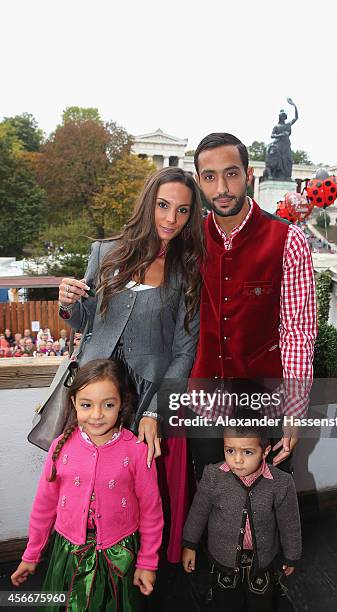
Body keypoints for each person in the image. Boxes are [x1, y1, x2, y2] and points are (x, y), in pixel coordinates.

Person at [53, 166, 204, 563]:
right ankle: (80, 570)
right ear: (148, 203)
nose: (171, 219)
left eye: (183, 211)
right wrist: (67, 303)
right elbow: (85, 320)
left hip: (145, 399)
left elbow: (184, 351)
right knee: (84, 490)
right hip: (94, 394)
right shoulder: (105, 252)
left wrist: (156, 410)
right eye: (163, 206)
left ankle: (132, 574)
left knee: (131, 501)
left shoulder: (188, 271)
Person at [189, 133, 317, 479]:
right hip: (205, 404)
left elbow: (298, 331)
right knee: (211, 506)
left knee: (266, 512)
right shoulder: (192, 240)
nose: (222, 188)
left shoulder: (288, 240)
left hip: (267, 406)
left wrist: (294, 410)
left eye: (231, 173)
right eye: (210, 177)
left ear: (249, 174)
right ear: (199, 181)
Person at [11, 359, 163, 610]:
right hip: (68, 555)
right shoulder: (60, 448)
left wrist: (147, 563)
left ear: (122, 404)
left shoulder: (137, 451)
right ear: (73, 403)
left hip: (120, 555)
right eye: (86, 405)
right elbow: (43, 507)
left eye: (108, 405)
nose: (97, 415)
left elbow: (151, 511)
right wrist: (31, 555)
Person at [182, 425, 301, 612]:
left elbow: (290, 523)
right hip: (223, 559)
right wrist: (189, 545)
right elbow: (198, 512)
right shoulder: (213, 476)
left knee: (262, 602)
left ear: (265, 451)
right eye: (230, 450)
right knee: (225, 602)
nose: (237, 460)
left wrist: (292, 556)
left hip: (262, 561)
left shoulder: (281, 483)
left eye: (247, 452)